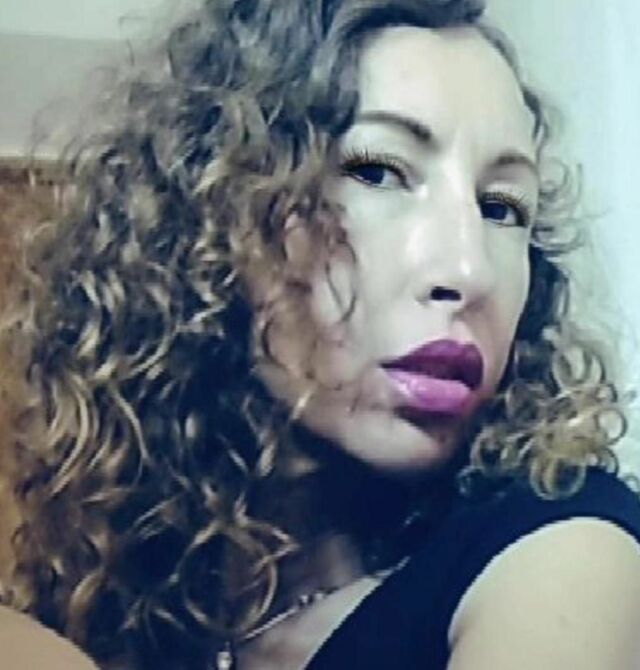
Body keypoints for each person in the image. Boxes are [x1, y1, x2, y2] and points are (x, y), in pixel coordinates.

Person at [1, 0, 640, 668]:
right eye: (377, 171)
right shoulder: (126, 613)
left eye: (502, 207)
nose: (468, 268)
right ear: (212, 216)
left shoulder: (562, 546)